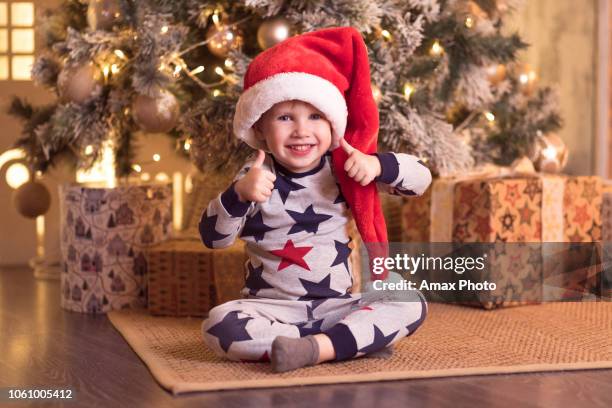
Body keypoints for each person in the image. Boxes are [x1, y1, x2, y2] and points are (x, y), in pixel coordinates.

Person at [199, 27, 432, 373]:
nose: (301, 130)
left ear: (333, 123)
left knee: (409, 300)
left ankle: (319, 347)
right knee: (219, 324)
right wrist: (238, 195)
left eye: (315, 116)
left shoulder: (344, 168)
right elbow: (213, 239)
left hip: (337, 305)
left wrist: (377, 165)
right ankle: (340, 343)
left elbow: (421, 180)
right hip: (272, 311)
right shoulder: (255, 176)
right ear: (260, 127)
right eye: (284, 117)